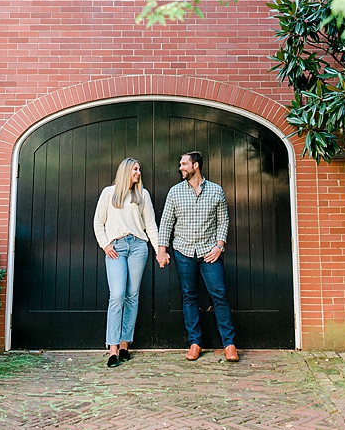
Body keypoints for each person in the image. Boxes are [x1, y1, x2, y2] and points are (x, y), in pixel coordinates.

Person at [156, 151, 239, 362]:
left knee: (219, 295)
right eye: (180, 164)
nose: (180, 168)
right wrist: (162, 249)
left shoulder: (215, 191)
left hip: (209, 253)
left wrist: (220, 246)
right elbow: (166, 222)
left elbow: (223, 221)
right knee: (189, 296)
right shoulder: (175, 192)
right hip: (183, 251)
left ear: (196, 166)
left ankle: (229, 345)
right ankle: (195, 343)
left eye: (184, 164)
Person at [93, 158, 162, 368]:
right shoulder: (108, 193)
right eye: (135, 169)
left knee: (132, 296)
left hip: (139, 247)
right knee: (117, 295)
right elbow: (98, 222)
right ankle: (112, 347)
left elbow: (150, 225)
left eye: (139, 169)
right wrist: (105, 245)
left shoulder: (142, 195)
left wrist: (160, 250)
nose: (139, 172)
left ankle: (124, 345)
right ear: (125, 171)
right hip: (116, 248)